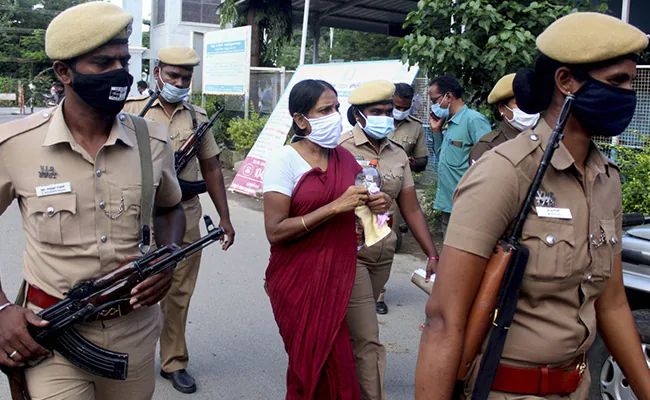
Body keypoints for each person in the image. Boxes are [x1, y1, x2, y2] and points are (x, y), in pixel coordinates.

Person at [416, 12, 650, 400]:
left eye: (630, 82)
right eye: (616, 82)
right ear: (566, 81)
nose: (628, 95)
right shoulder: (506, 172)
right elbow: (444, 320)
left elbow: (611, 304)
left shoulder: (605, 179)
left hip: (576, 387)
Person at [0, 2, 186, 399]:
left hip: (134, 334)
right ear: (64, 72)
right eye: (103, 63)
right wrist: (1, 310)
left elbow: (170, 207)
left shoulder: (152, 142)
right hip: (51, 334)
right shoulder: (16, 145)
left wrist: (167, 258)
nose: (119, 73)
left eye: (123, 61)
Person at [122, 47, 235, 394]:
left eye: (186, 78)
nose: (179, 83)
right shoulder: (131, 110)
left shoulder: (197, 118)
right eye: (173, 75)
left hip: (184, 213)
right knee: (132, 288)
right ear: (158, 72)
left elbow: (212, 168)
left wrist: (225, 217)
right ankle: (130, 358)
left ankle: (173, 361)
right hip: (137, 214)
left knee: (178, 291)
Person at [263, 79, 370, 399]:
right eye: (325, 110)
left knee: (340, 368)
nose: (335, 116)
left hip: (339, 275)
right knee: (310, 365)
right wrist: (333, 207)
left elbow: (359, 207)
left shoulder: (345, 159)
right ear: (300, 119)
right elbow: (275, 230)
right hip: (297, 281)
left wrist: (376, 204)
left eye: (336, 108)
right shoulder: (284, 160)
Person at [341, 80, 439, 400]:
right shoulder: (340, 149)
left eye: (388, 111)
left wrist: (432, 254)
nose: (385, 117)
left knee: (352, 329)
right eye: (377, 112)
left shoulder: (397, 154)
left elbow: (411, 208)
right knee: (368, 336)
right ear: (359, 115)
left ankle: (339, 382)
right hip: (350, 253)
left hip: (384, 253)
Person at [374, 82, 430, 315]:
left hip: (397, 192)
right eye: (396, 106)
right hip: (372, 190)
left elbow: (423, 161)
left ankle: (378, 293)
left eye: (404, 108)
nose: (399, 111)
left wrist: (411, 162)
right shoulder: (376, 120)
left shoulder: (415, 127)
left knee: (387, 243)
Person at [428, 75, 491, 235]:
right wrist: (436, 131)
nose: (433, 106)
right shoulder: (449, 122)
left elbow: (488, 162)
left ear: (448, 96)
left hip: (466, 207)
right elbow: (442, 157)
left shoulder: (474, 120)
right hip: (448, 205)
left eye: (434, 100)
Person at [469, 73, 540, 164]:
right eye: (519, 103)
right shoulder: (487, 148)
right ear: (502, 108)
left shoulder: (546, 137)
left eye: (531, 101)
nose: (527, 107)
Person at [390, 82, 429, 172]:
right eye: (398, 107)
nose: (401, 111)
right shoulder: (378, 122)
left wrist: (413, 163)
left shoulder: (416, 126)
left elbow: (422, 161)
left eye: (406, 108)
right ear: (390, 101)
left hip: (401, 176)